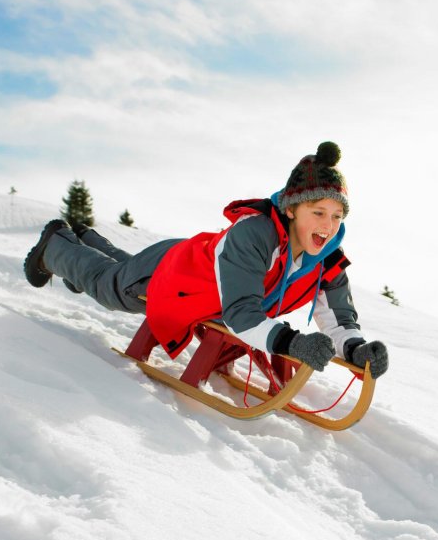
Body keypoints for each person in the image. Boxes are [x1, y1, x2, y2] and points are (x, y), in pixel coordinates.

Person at [24, 141, 388, 379]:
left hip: (203, 276)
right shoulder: (255, 234)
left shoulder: (327, 259)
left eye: (337, 216)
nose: (328, 225)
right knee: (109, 286)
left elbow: (338, 317)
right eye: (318, 211)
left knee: (118, 272)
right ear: (291, 209)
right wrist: (291, 344)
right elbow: (242, 315)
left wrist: (357, 349)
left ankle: (88, 240)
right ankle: (55, 245)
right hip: (175, 273)